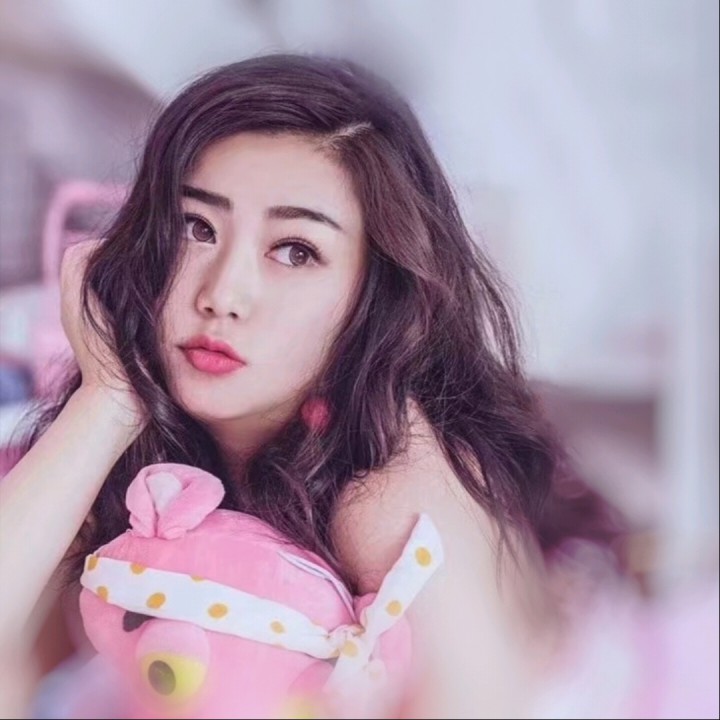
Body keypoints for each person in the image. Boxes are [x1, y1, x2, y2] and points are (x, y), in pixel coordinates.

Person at [0, 53, 627, 718]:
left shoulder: (386, 493)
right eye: (197, 228)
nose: (223, 295)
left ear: (372, 295)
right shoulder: (131, 448)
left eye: (295, 250)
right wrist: (106, 405)